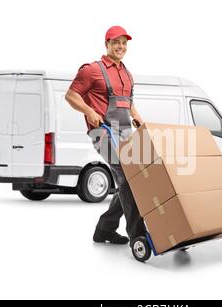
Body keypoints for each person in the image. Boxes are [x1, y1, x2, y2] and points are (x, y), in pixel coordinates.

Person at [65, 26, 147, 245]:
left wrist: (139, 119)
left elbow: (129, 103)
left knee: (131, 179)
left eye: (124, 43)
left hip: (126, 132)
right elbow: (71, 96)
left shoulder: (127, 74)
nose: (120, 46)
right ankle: (138, 236)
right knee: (128, 177)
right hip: (103, 132)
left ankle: (104, 230)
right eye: (116, 42)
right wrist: (89, 111)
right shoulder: (91, 69)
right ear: (106, 44)